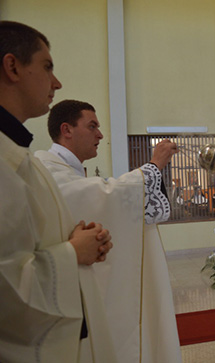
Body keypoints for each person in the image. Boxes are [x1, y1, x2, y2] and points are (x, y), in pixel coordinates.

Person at [0, 21, 116, 362]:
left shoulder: (22, 156)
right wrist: (72, 252)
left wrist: (82, 239)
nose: (57, 82)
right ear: (13, 67)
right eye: (48, 67)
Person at [35, 100, 182, 362]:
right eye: (92, 126)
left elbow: (97, 195)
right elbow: (103, 194)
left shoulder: (66, 170)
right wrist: (153, 166)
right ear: (66, 130)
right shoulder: (47, 171)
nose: (100, 135)